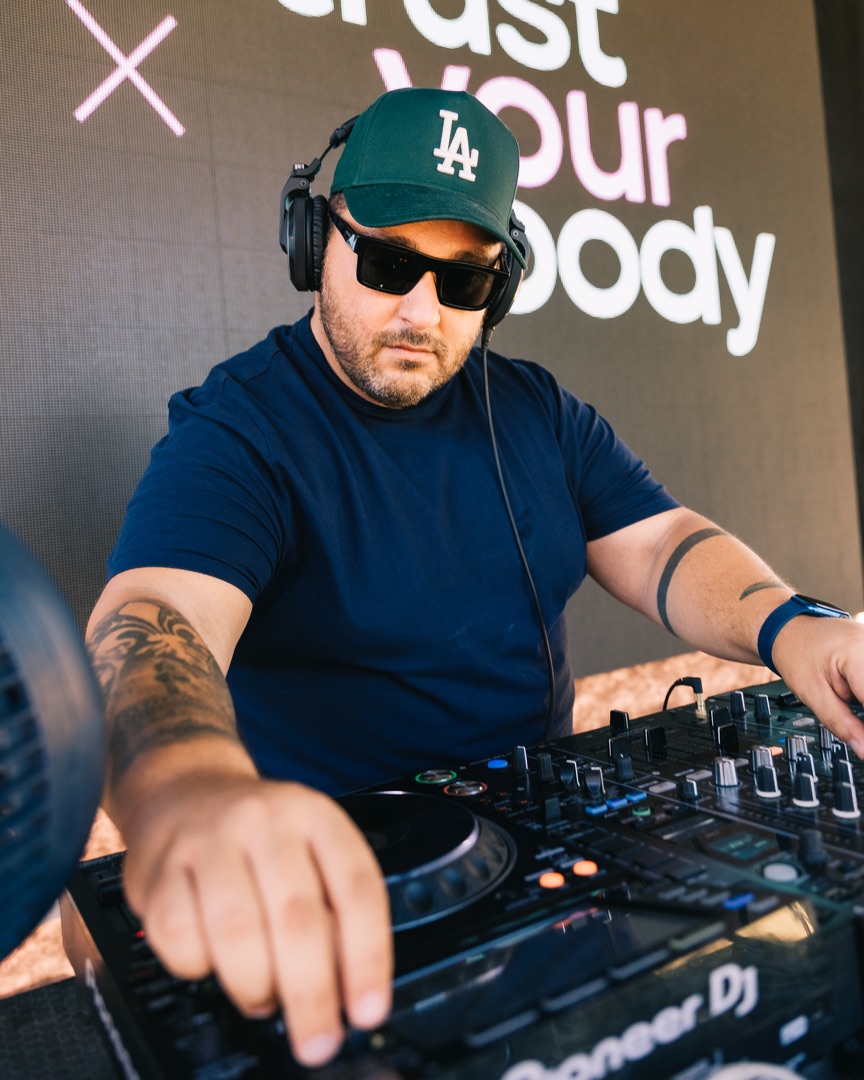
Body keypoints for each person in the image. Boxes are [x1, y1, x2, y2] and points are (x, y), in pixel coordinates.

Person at [86, 87, 864, 1069]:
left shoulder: (537, 411)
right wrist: (189, 790)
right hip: (339, 894)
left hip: (551, 870)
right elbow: (154, 618)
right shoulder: (240, 430)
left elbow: (663, 544)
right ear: (314, 241)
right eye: (387, 262)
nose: (420, 310)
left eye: (462, 282)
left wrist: (795, 624)